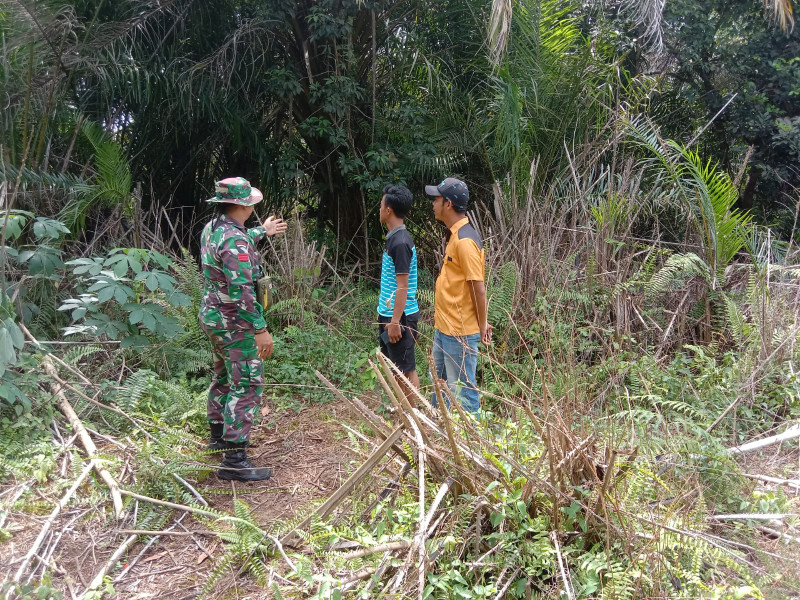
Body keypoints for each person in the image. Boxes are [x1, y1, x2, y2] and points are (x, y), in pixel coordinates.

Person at [199, 176, 287, 481]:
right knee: (248, 382)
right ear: (241, 204)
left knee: (223, 374)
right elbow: (242, 291)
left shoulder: (214, 228)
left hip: (214, 317)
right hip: (234, 322)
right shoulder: (234, 240)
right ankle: (234, 460)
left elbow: (236, 242)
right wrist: (260, 329)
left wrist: (264, 231)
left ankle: (218, 437)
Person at [425, 177, 492, 416]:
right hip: (444, 329)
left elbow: (478, 287)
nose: (434, 203)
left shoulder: (465, 241)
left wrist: (482, 324)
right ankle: (440, 436)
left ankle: (475, 446)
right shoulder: (455, 235)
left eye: (437, 199)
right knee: (440, 387)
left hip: (460, 332)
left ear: (448, 204)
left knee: (464, 393)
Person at [377, 184, 420, 400]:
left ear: (389, 210)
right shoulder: (393, 238)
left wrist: (395, 321)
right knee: (397, 367)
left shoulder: (400, 242)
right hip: (391, 314)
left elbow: (403, 286)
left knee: (405, 369)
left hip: (400, 317)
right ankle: (405, 415)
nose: (379, 209)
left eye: (381, 204)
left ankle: (414, 419)